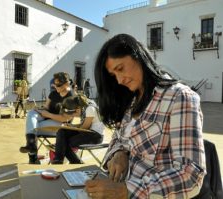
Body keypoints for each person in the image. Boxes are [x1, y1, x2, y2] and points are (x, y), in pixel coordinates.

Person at [85, 34, 206, 198]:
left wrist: (125, 191)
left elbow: (189, 175)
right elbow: (118, 138)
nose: (119, 80)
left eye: (120, 68)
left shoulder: (179, 97)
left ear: (139, 57)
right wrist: (119, 153)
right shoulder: (132, 100)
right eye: (114, 75)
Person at [19, 72, 74, 164]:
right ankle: (31, 145)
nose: (55, 86)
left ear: (66, 84)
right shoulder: (53, 94)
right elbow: (46, 108)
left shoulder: (71, 97)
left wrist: (48, 115)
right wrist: (39, 109)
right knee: (31, 113)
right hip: (47, 119)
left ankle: (33, 156)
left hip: (61, 125)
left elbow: (65, 118)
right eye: (54, 84)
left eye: (58, 85)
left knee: (33, 128)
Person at [51, 94, 105, 164]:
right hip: (88, 132)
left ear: (77, 110)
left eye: (73, 115)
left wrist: (72, 127)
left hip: (95, 136)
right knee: (62, 131)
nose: (73, 117)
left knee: (64, 142)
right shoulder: (84, 106)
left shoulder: (90, 109)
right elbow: (84, 126)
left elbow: (84, 127)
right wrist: (71, 126)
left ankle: (76, 162)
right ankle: (58, 160)